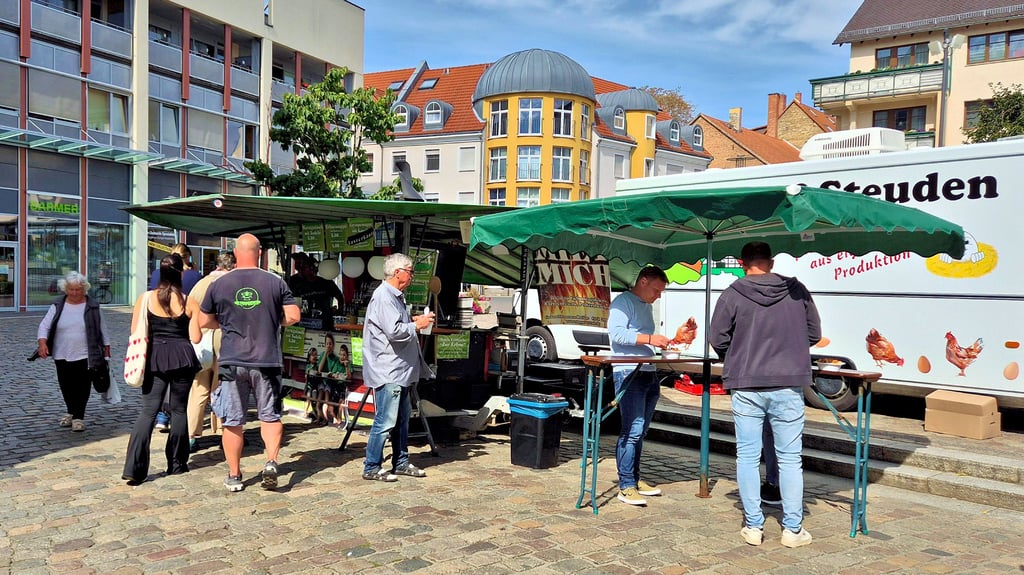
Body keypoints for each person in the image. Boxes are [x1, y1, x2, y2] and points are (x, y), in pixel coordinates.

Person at [708, 241, 821, 548]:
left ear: (743, 263)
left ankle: (754, 527)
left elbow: (717, 338)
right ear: (771, 262)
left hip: (746, 384)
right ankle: (793, 530)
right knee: (789, 459)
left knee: (746, 456)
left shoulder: (732, 293)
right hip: (788, 383)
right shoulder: (797, 290)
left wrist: (738, 354)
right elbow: (814, 334)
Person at [200, 233, 300, 492]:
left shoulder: (220, 283)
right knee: (269, 415)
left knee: (233, 420)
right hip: (266, 359)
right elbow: (293, 316)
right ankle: (270, 461)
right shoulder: (275, 282)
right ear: (260, 252)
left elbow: (203, 321)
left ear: (235, 254)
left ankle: (234, 475)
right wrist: (271, 321)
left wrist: (225, 323)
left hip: (232, 359)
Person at [122, 254, 202, 485]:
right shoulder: (188, 302)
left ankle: (134, 469)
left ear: (159, 273)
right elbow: (195, 337)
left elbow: (135, 329)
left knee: (148, 412)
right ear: (181, 274)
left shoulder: (145, 299)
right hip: (182, 358)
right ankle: (176, 464)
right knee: (178, 411)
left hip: (154, 358)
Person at [361, 253, 435, 482]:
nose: (412, 276)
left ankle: (400, 461)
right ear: (397, 272)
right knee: (385, 420)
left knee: (402, 420)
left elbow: (393, 325)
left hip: (400, 369)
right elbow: (394, 332)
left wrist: (411, 320)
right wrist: (416, 325)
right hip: (389, 369)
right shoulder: (384, 296)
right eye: (410, 271)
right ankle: (371, 466)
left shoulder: (395, 296)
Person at [606, 265, 671, 506]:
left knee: (640, 431)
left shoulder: (645, 305)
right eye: (656, 290)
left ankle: (634, 478)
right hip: (627, 371)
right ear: (643, 281)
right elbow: (617, 335)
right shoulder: (623, 302)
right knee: (631, 431)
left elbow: (640, 338)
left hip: (647, 370)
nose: (658, 296)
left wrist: (660, 343)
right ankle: (625, 485)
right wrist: (651, 339)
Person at [36, 271, 111, 433]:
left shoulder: (92, 306)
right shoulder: (57, 305)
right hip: (61, 352)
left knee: (83, 386)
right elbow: (44, 326)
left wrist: (106, 350)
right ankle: (70, 411)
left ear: (84, 289)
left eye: (78, 289)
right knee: (66, 385)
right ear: (66, 289)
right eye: (71, 289)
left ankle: (78, 417)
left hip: (86, 353)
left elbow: (103, 329)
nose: (75, 293)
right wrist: (42, 343)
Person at [185, 250, 236, 452]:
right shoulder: (233, 284)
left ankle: (191, 433)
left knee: (198, 388)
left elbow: (189, 310)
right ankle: (225, 430)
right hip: (225, 339)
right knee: (223, 387)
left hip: (202, 342)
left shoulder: (202, 283)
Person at [289, 252, 343, 330]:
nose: (311, 270)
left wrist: (339, 310)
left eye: (311, 267)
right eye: (305, 267)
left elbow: (339, 296)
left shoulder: (326, 282)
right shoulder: (297, 284)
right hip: (305, 323)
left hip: (325, 323)